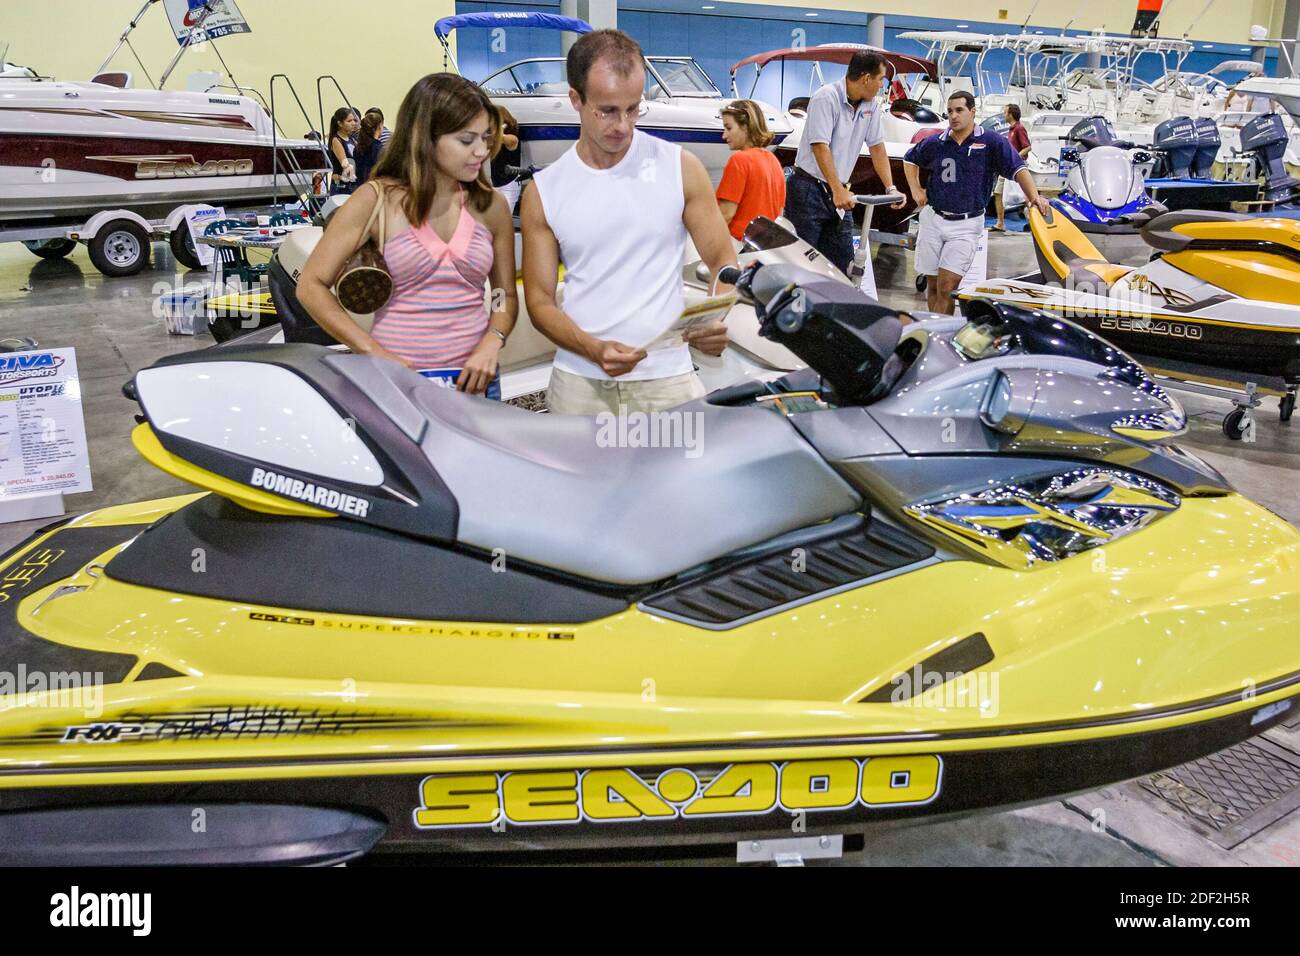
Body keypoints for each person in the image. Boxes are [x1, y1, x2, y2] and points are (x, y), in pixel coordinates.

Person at [522, 29, 737, 416]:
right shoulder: (544, 191)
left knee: (677, 478)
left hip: (667, 380)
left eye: (633, 108)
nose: (622, 124)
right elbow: (538, 302)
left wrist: (714, 317)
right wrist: (593, 349)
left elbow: (724, 261)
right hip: (579, 383)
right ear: (576, 99)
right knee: (581, 479)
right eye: (606, 110)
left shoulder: (681, 168)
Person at [298, 74, 518, 398]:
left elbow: (503, 295)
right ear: (426, 138)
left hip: (476, 383)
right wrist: (371, 351)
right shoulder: (376, 200)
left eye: (485, 138)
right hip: (398, 383)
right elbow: (311, 286)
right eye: (466, 140)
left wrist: (493, 339)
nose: (481, 151)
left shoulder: (491, 205)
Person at [903, 91, 1051, 315]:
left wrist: (1034, 197)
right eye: (950, 111)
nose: (954, 116)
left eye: (959, 110)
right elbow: (909, 159)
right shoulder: (936, 142)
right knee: (933, 286)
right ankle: (934, 329)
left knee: (947, 286)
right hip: (933, 219)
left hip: (966, 225)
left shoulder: (991, 142)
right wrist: (915, 189)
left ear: (972, 112)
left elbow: (1018, 169)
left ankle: (939, 336)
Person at [783, 50, 905, 276]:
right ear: (866, 78)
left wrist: (891, 187)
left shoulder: (871, 105)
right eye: (881, 79)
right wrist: (836, 189)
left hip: (840, 191)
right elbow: (820, 146)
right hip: (808, 189)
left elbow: (877, 147)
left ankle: (832, 308)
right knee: (803, 260)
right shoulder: (825, 97)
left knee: (842, 263)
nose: (882, 86)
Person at [716, 99, 786, 241]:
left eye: (728, 128)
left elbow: (725, 215)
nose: (724, 136)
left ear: (746, 127)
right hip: (764, 246)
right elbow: (779, 213)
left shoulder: (739, 161)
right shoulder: (773, 161)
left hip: (739, 246)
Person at [992, 103, 1032, 232]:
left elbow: (1028, 147)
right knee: (998, 193)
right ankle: (1000, 223)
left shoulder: (1019, 129)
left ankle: (1034, 222)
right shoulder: (1012, 129)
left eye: (1005, 112)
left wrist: (1015, 157)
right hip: (1007, 167)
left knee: (1025, 196)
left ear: (1010, 114)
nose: (1004, 115)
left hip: (1016, 167)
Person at [490, 104, 524, 212]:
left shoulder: (512, 135)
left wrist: (496, 132)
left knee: (505, 217)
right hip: (496, 182)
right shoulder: (494, 138)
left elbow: (512, 141)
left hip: (510, 182)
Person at [327, 107, 359, 195]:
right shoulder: (336, 140)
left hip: (352, 184)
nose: (353, 123)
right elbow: (345, 163)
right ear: (340, 123)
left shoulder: (352, 139)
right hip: (341, 186)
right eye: (349, 121)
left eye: (354, 120)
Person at [353, 109, 385, 185]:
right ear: (379, 127)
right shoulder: (378, 148)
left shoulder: (358, 147)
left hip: (361, 187)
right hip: (375, 186)